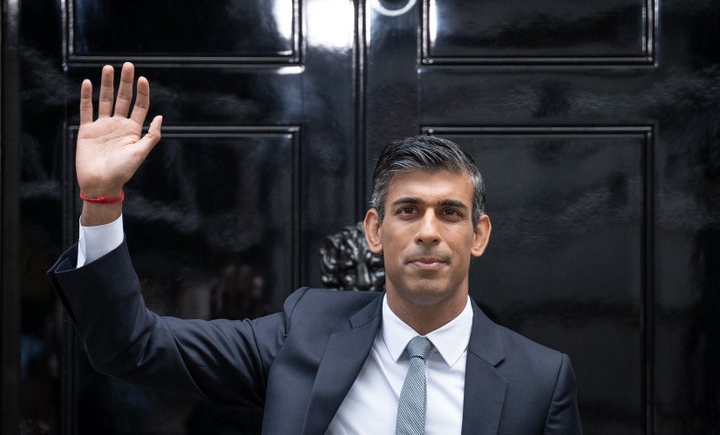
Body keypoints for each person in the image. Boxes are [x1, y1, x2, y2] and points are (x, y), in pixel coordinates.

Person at [49, 62, 582, 434]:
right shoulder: (304, 333)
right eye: (407, 210)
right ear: (374, 231)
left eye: (450, 212)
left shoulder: (539, 378)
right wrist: (102, 200)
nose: (428, 231)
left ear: (479, 234)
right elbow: (130, 345)